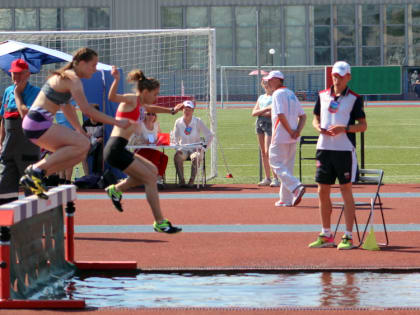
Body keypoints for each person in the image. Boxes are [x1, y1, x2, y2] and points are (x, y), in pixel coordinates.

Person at [20, 47, 130, 199]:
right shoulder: (73, 79)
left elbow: (66, 107)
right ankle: (35, 170)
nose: (95, 69)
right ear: (82, 63)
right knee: (83, 145)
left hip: (35, 124)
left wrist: (79, 129)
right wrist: (117, 121)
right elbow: (87, 110)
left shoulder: (67, 78)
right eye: (93, 65)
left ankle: (39, 175)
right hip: (37, 123)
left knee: (80, 153)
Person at [104, 66, 183, 233]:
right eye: (155, 94)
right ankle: (159, 222)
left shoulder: (140, 104)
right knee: (149, 179)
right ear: (145, 91)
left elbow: (152, 109)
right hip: (114, 148)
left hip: (120, 148)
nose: (156, 97)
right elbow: (112, 97)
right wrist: (116, 80)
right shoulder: (132, 99)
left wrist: (171, 110)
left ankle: (116, 189)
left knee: (153, 171)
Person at [308, 61, 367, 250]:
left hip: (344, 151)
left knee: (345, 191)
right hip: (324, 149)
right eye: (334, 75)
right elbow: (315, 118)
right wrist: (318, 127)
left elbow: (363, 125)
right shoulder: (322, 96)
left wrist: (345, 128)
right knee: (321, 191)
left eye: (341, 76)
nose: (337, 79)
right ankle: (326, 235)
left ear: (348, 77)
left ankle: (348, 237)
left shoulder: (355, 99)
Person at [263, 71, 307, 208]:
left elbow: (280, 115)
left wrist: (290, 131)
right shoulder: (291, 93)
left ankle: (296, 186)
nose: (268, 82)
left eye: (270, 80)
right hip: (292, 136)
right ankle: (285, 199)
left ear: (277, 80)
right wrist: (296, 131)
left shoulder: (277, 94)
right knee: (287, 166)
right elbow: (303, 116)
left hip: (281, 134)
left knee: (274, 162)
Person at [0, 59, 40, 205]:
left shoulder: (36, 92)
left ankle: (35, 222)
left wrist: (17, 93)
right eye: (13, 73)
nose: (16, 77)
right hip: (8, 148)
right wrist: (1, 142)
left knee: (32, 189)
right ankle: (5, 225)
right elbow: (4, 119)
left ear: (27, 74)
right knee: (5, 190)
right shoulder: (7, 91)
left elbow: (25, 114)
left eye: (19, 74)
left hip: (27, 147)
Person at [172, 100, 214, 188]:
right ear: (182, 110)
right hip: (183, 149)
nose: (187, 111)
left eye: (189, 109)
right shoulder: (178, 122)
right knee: (177, 156)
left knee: (196, 157)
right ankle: (181, 180)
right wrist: (177, 148)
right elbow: (174, 138)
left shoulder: (198, 121)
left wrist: (203, 148)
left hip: (195, 148)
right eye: (185, 109)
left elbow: (209, 135)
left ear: (192, 111)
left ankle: (192, 180)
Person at [251, 79, 279, 187]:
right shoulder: (261, 97)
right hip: (259, 123)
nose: (266, 85)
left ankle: (275, 178)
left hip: (269, 124)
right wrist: (266, 109)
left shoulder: (275, 97)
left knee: (268, 152)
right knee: (263, 152)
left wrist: (262, 111)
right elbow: (253, 112)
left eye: (268, 83)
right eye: (264, 83)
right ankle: (267, 178)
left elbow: (273, 113)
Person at [128, 111, 168, 188]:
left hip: (152, 149)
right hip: (140, 150)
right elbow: (132, 140)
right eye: (148, 114)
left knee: (165, 157)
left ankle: (158, 178)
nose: (151, 116)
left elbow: (160, 136)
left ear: (155, 116)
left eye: (153, 114)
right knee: (156, 155)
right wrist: (143, 141)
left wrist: (160, 141)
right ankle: (151, 179)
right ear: (145, 115)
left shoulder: (156, 125)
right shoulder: (140, 124)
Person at [82, 104, 104, 175]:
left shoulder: (102, 123)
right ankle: (87, 176)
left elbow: (106, 135)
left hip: (99, 146)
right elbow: (82, 136)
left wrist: (102, 138)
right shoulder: (86, 124)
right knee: (83, 156)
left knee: (99, 149)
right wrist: (86, 135)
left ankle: (97, 174)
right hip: (89, 146)